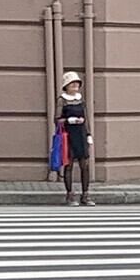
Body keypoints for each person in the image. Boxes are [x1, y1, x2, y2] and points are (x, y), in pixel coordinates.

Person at [55, 71, 95, 206]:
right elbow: (57, 120)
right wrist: (69, 120)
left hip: (81, 134)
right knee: (69, 165)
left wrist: (88, 134)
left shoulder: (80, 99)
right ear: (66, 86)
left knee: (85, 165)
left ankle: (85, 194)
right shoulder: (62, 100)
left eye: (77, 83)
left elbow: (86, 118)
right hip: (69, 135)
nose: (75, 86)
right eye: (72, 83)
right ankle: (70, 195)